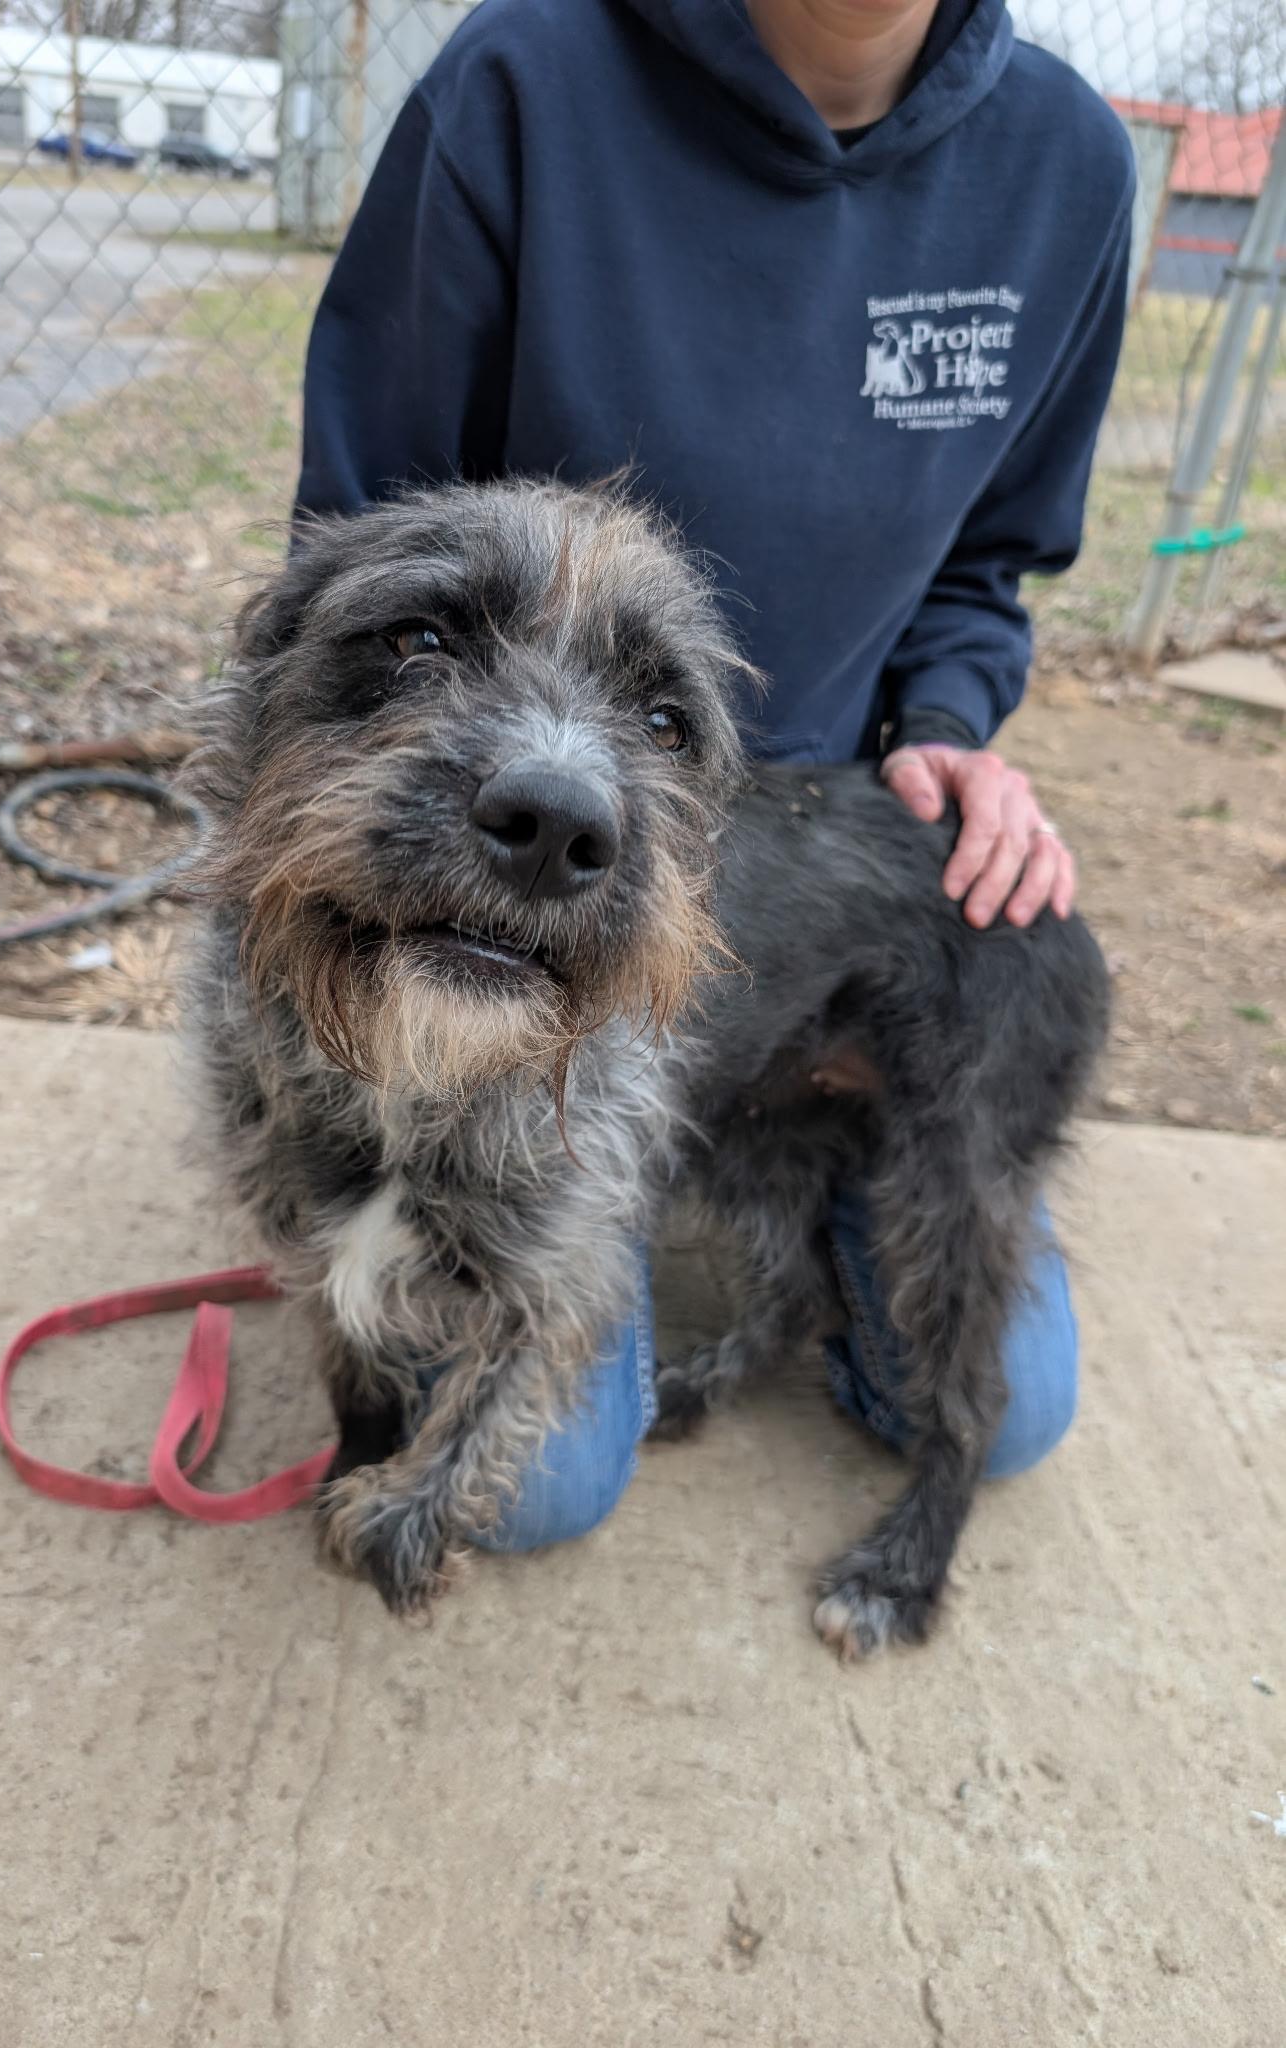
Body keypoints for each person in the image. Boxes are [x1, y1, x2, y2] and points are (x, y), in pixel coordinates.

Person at [292, 0, 1136, 1549]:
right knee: (535, 1495)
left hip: (810, 841)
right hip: (504, 809)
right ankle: (468, 1156)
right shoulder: (521, 83)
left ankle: (768, 1145)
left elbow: (990, 565)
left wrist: (948, 724)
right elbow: (361, 541)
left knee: (998, 1416)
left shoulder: (1061, 162)